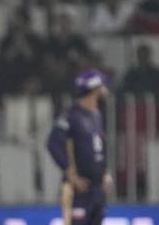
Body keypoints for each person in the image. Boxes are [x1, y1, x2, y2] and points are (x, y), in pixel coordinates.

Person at [46, 69, 114, 225]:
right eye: (102, 87)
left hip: (97, 189)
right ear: (95, 89)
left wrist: (106, 172)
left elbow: (99, 147)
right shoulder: (72, 115)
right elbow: (53, 143)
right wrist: (70, 174)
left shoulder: (97, 114)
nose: (105, 90)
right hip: (79, 190)